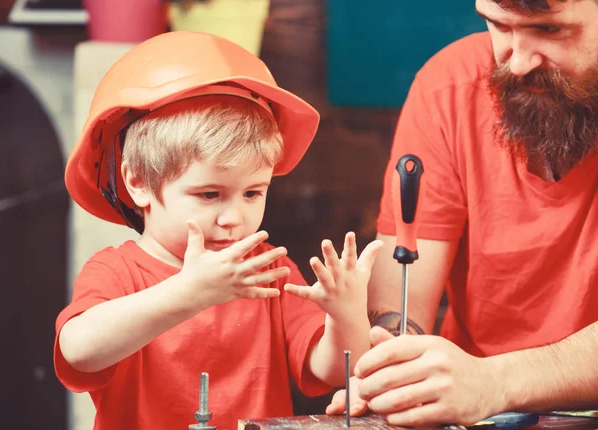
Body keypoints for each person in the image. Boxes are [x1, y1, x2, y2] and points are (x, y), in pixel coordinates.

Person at [53, 31, 383, 430]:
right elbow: (78, 350)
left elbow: (329, 370)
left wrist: (345, 316)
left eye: (252, 193)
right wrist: (189, 293)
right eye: (210, 194)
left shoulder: (266, 270)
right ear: (138, 182)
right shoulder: (117, 272)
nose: (234, 218)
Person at [327, 0, 598, 426]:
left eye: (550, 31)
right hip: (472, 411)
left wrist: (496, 382)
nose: (520, 63)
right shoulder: (448, 86)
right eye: (499, 26)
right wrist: (393, 366)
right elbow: (403, 306)